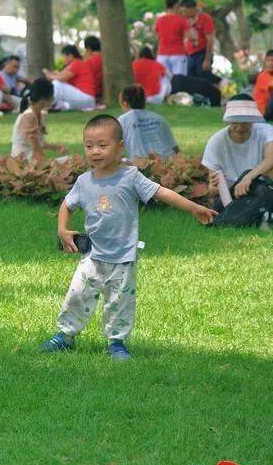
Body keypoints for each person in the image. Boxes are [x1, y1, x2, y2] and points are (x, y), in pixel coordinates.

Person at [40, 115, 216, 361]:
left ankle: (116, 343)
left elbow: (162, 192)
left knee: (120, 302)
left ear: (120, 147)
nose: (95, 151)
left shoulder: (130, 177)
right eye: (89, 145)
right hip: (92, 255)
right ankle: (65, 336)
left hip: (123, 257)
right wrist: (62, 229)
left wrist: (193, 207)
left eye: (102, 145)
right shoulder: (84, 181)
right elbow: (67, 205)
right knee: (78, 295)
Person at [201, 95, 273, 210]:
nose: (239, 127)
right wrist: (214, 188)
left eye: (245, 122)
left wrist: (248, 177)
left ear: (252, 120)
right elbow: (212, 186)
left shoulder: (266, 131)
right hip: (232, 192)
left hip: (262, 184)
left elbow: (271, 158)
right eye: (235, 122)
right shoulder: (216, 141)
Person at [11, 78, 68, 162]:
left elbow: (39, 143)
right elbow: (34, 143)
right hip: (24, 162)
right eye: (52, 97)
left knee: (69, 159)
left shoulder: (39, 114)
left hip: (31, 160)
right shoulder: (29, 115)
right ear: (44, 99)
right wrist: (44, 163)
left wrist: (56, 147)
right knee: (69, 160)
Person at [118, 85, 179, 159]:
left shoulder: (122, 120)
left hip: (141, 164)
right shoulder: (159, 118)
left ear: (125, 104)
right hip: (166, 162)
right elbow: (175, 148)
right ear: (144, 102)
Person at [43, 45, 97, 111]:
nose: (63, 59)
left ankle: (48, 105)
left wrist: (50, 76)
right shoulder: (76, 64)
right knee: (57, 86)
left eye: (64, 56)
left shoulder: (77, 63)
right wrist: (53, 74)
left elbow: (61, 78)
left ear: (70, 56)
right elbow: (60, 75)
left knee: (57, 83)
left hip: (86, 98)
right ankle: (55, 106)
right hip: (87, 100)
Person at [153, 0, 189, 77]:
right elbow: (189, 36)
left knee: (164, 80)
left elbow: (157, 37)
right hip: (178, 54)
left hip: (162, 54)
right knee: (179, 80)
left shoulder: (159, 20)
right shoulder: (181, 20)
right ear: (176, 5)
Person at [180, 0, 215, 78]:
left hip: (202, 53)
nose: (183, 14)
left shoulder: (205, 19)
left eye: (185, 11)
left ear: (193, 9)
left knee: (203, 78)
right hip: (189, 54)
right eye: (182, 11)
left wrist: (207, 60)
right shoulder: (185, 20)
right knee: (190, 79)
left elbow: (210, 40)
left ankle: (223, 83)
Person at [254, 50, 273, 121]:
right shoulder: (262, 76)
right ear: (265, 62)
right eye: (268, 60)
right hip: (263, 111)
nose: (271, 63)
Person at [83, 36, 104, 100]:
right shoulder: (105, 59)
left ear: (88, 49)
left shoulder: (88, 62)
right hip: (102, 91)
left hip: (91, 93)